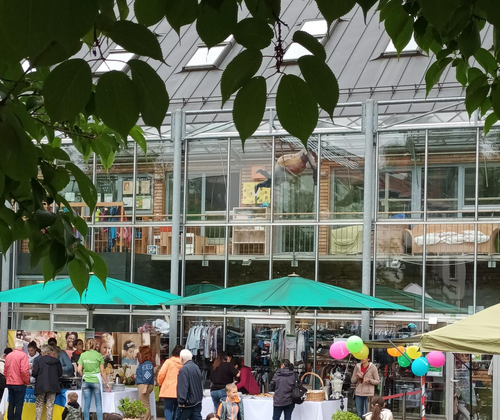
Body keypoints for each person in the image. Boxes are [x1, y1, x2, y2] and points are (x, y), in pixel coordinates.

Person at [77, 338, 111, 420]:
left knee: (86, 404)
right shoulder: (98, 355)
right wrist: (107, 383)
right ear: (94, 345)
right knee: (98, 404)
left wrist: (84, 375)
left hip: (86, 380)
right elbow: (102, 371)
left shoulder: (83, 355)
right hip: (96, 380)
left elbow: (79, 370)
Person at [32, 344, 63, 420]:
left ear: (43, 352)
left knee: (39, 405)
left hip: (40, 386)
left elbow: (34, 373)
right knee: (50, 405)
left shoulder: (38, 360)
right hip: (53, 386)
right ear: (49, 352)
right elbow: (60, 374)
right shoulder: (56, 361)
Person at [5, 339, 30, 420]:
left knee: (11, 403)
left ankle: (10, 418)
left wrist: (8, 379)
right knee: (19, 404)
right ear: (22, 347)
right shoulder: (23, 355)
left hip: (10, 383)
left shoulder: (9, 355)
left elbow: (5, 370)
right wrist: (26, 381)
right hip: (20, 383)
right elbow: (24, 370)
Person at [158, 344, 183, 420]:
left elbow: (161, 374)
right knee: (177, 409)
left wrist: (160, 383)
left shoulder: (168, 362)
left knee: (168, 408)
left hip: (168, 389)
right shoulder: (184, 364)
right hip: (180, 390)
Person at [177, 349, 203, 420]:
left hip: (187, 404)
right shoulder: (196, 367)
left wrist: (181, 401)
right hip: (197, 401)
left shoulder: (184, 369)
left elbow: (183, 386)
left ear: (182, 358)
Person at [135, 346, 155, 420]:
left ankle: (146, 418)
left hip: (144, 385)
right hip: (144, 384)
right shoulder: (146, 363)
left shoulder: (147, 364)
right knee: (144, 404)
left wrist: (145, 387)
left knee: (145, 405)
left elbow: (147, 375)